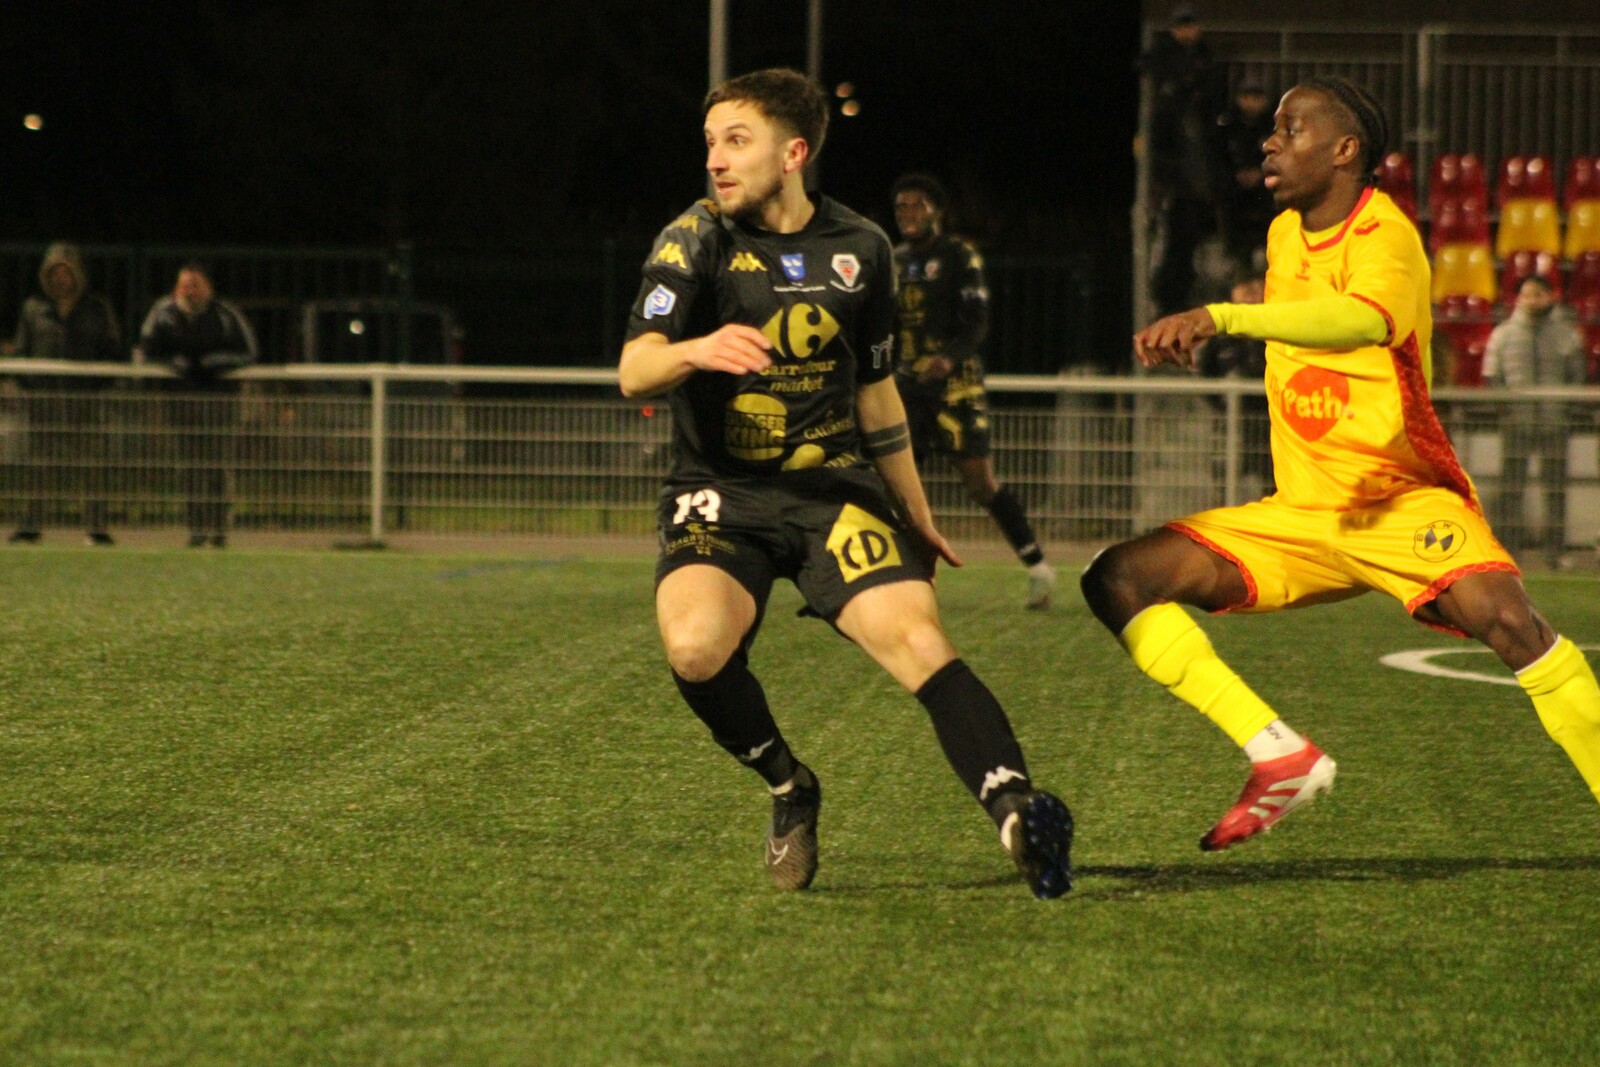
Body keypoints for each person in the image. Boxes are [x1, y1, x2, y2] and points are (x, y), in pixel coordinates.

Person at [1081, 76, 1600, 852]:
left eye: (1291, 129)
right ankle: (1278, 754)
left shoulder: (1386, 233)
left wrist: (1222, 315)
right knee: (1117, 577)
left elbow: (1363, 320)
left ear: (1344, 150)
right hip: (1301, 513)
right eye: (1274, 129)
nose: (1270, 142)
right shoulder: (1285, 235)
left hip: (1397, 499)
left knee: (1511, 623)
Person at [618, 69, 1072, 898]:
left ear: (794, 154)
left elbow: (875, 390)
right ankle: (791, 786)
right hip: (720, 493)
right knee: (694, 648)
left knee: (920, 641)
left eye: (737, 141)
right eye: (711, 142)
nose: (716, 160)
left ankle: (1018, 813)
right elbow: (634, 368)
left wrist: (916, 513)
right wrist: (695, 349)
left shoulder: (863, 248)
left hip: (833, 491)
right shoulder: (693, 237)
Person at [888, 173, 1057, 609]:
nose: (908, 213)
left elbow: (977, 322)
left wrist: (948, 358)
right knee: (897, 484)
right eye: (901, 206)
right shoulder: (893, 261)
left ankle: (1038, 567)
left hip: (955, 387)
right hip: (907, 388)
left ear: (937, 211)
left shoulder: (959, 256)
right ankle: (896, 579)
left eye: (917, 205)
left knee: (980, 482)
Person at [3, 242, 124, 545]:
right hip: (43, 404)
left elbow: (113, 351)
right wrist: (30, 387)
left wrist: (97, 386)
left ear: (77, 275)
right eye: (54, 273)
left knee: (92, 467)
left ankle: (96, 528)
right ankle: (31, 526)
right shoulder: (33, 309)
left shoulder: (97, 308)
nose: (60, 279)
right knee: (38, 468)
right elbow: (22, 352)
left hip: (85, 404)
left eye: (66, 272)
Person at [135, 262, 258, 547]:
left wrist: (216, 364)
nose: (190, 291)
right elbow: (146, 350)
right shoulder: (162, 314)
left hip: (221, 403)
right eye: (185, 285)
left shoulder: (226, 315)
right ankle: (196, 528)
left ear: (208, 288)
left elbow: (249, 352)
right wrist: (172, 364)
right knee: (189, 467)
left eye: (196, 284)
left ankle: (218, 529)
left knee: (218, 466)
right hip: (180, 404)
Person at [1483, 275, 1587, 568]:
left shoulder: (1567, 335)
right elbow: (1492, 376)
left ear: (1551, 297)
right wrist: (1505, 411)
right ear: (1518, 298)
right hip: (1516, 423)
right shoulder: (1502, 335)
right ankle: (1506, 552)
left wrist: (1565, 410)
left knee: (1555, 491)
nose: (1532, 300)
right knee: (1511, 490)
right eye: (1527, 294)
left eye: (1538, 294)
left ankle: (1555, 553)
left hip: (1555, 423)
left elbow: (1578, 376)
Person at [1142, 4, 1226, 316]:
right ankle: (1167, 301)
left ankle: (1180, 300)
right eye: (1182, 26)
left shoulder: (1205, 58)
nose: (1188, 32)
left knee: (1192, 244)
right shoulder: (1163, 55)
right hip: (1177, 182)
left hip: (1193, 182)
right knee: (1172, 244)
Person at [1194, 271, 1273, 499]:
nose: (1252, 297)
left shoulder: (1274, 329)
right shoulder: (1221, 333)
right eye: (1246, 290)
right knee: (1225, 468)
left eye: (1257, 290)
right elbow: (1206, 374)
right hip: (1230, 417)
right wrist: (1220, 404)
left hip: (1267, 417)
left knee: (1269, 471)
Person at [1210, 80, 1276, 270]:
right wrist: (1235, 175)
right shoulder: (1228, 125)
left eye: (1257, 98)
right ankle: (1238, 262)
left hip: (1265, 190)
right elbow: (1219, 157)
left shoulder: (1272, 127)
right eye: (1247, 97)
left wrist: (1260, 173)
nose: (1251, 103)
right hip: (1234, 190)